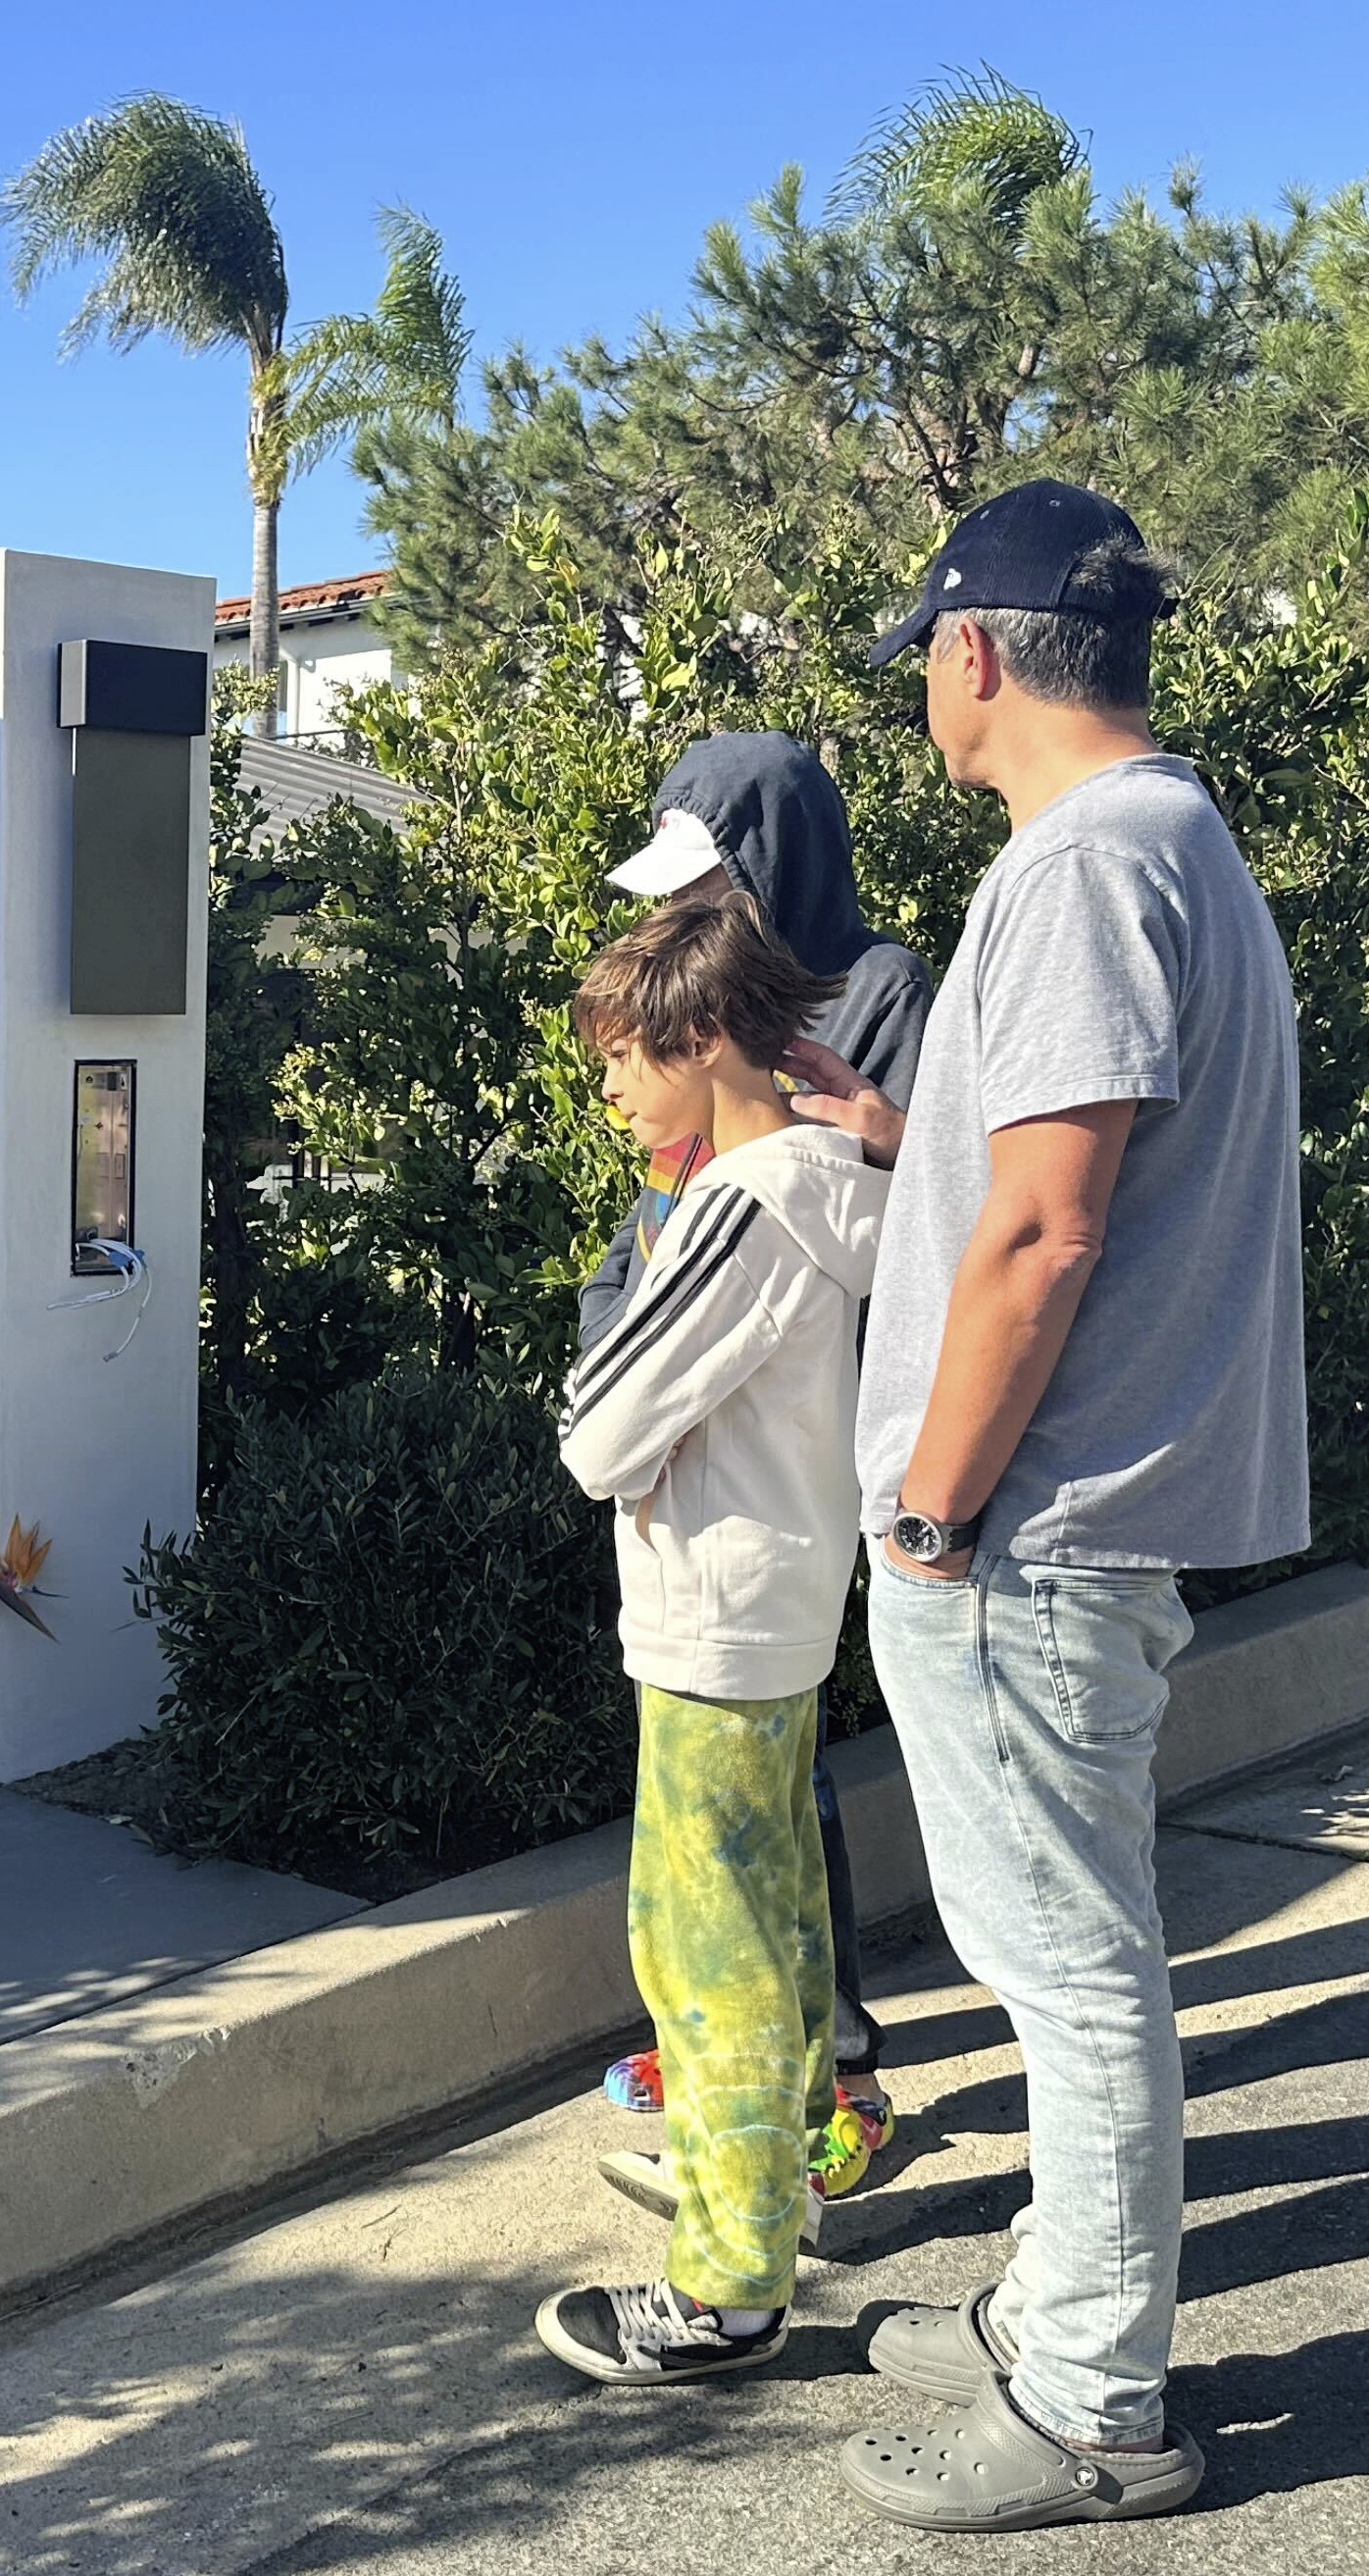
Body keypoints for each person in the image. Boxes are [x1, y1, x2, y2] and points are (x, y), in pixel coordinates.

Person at [787, 479, 1306, 2530]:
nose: (925, 690)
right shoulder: (1170, 841)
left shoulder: (1085, 865)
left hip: (1032, 1530)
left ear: (974, 654)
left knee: (1069, 1972)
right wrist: (911, 1130)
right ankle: (1053, 2312)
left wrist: (927, 1511)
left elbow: (1050, 1233)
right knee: (1073, 1953)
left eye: (924, 655)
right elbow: (1054, 1165)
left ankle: (1091, 2394)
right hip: (1086, 1518)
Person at [533, 884, 889, 2385]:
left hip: (712, 1619)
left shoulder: (743, 1208)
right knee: (781, 1923)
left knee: (706, 1950)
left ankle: (725, 2282)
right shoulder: (838, 1181)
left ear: (701, 1041)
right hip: (781, 1601)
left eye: (625, 1054)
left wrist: (586, 1416)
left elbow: (602, 1428)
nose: (610, 1086)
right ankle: (778, 2182)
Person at [582, 734, 929, 2204]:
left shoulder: (875, 999)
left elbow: (878, 1212)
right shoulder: (724, 1093)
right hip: (736, 1480)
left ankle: (770, 2160)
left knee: (735, 1877)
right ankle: (768, 2079)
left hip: (768, 1480)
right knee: (752, 1854)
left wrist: (633, 1352)